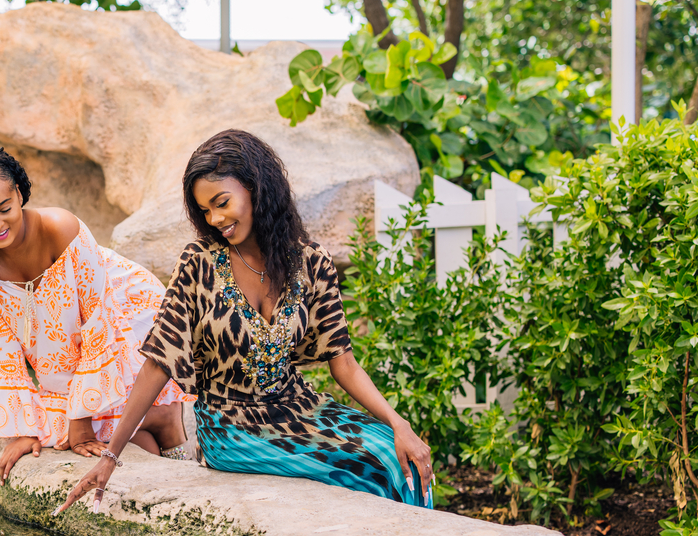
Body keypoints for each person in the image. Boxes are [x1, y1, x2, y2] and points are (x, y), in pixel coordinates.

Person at [56, 129, 434, 515]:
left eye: (222, 202)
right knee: (372, 466)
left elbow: (345, 363)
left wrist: (397, 422)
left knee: (393, 453)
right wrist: (111, 457)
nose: (215, 219)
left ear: (256, 187)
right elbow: (158, 362)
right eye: (205, 210)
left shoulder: (311, 262)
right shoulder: (199, 263)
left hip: (297, 408)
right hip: (230, 425)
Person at [0, 147, 191, 482]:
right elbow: (3, 351)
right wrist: (24, 429)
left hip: (124, 315)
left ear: (18, 194)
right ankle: (144, 439)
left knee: (94, 425)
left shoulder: (61, 228)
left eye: (5, 208)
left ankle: (167, 422)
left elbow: (97, 323)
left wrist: (80, 421)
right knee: (75, 432)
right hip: (60, 345)